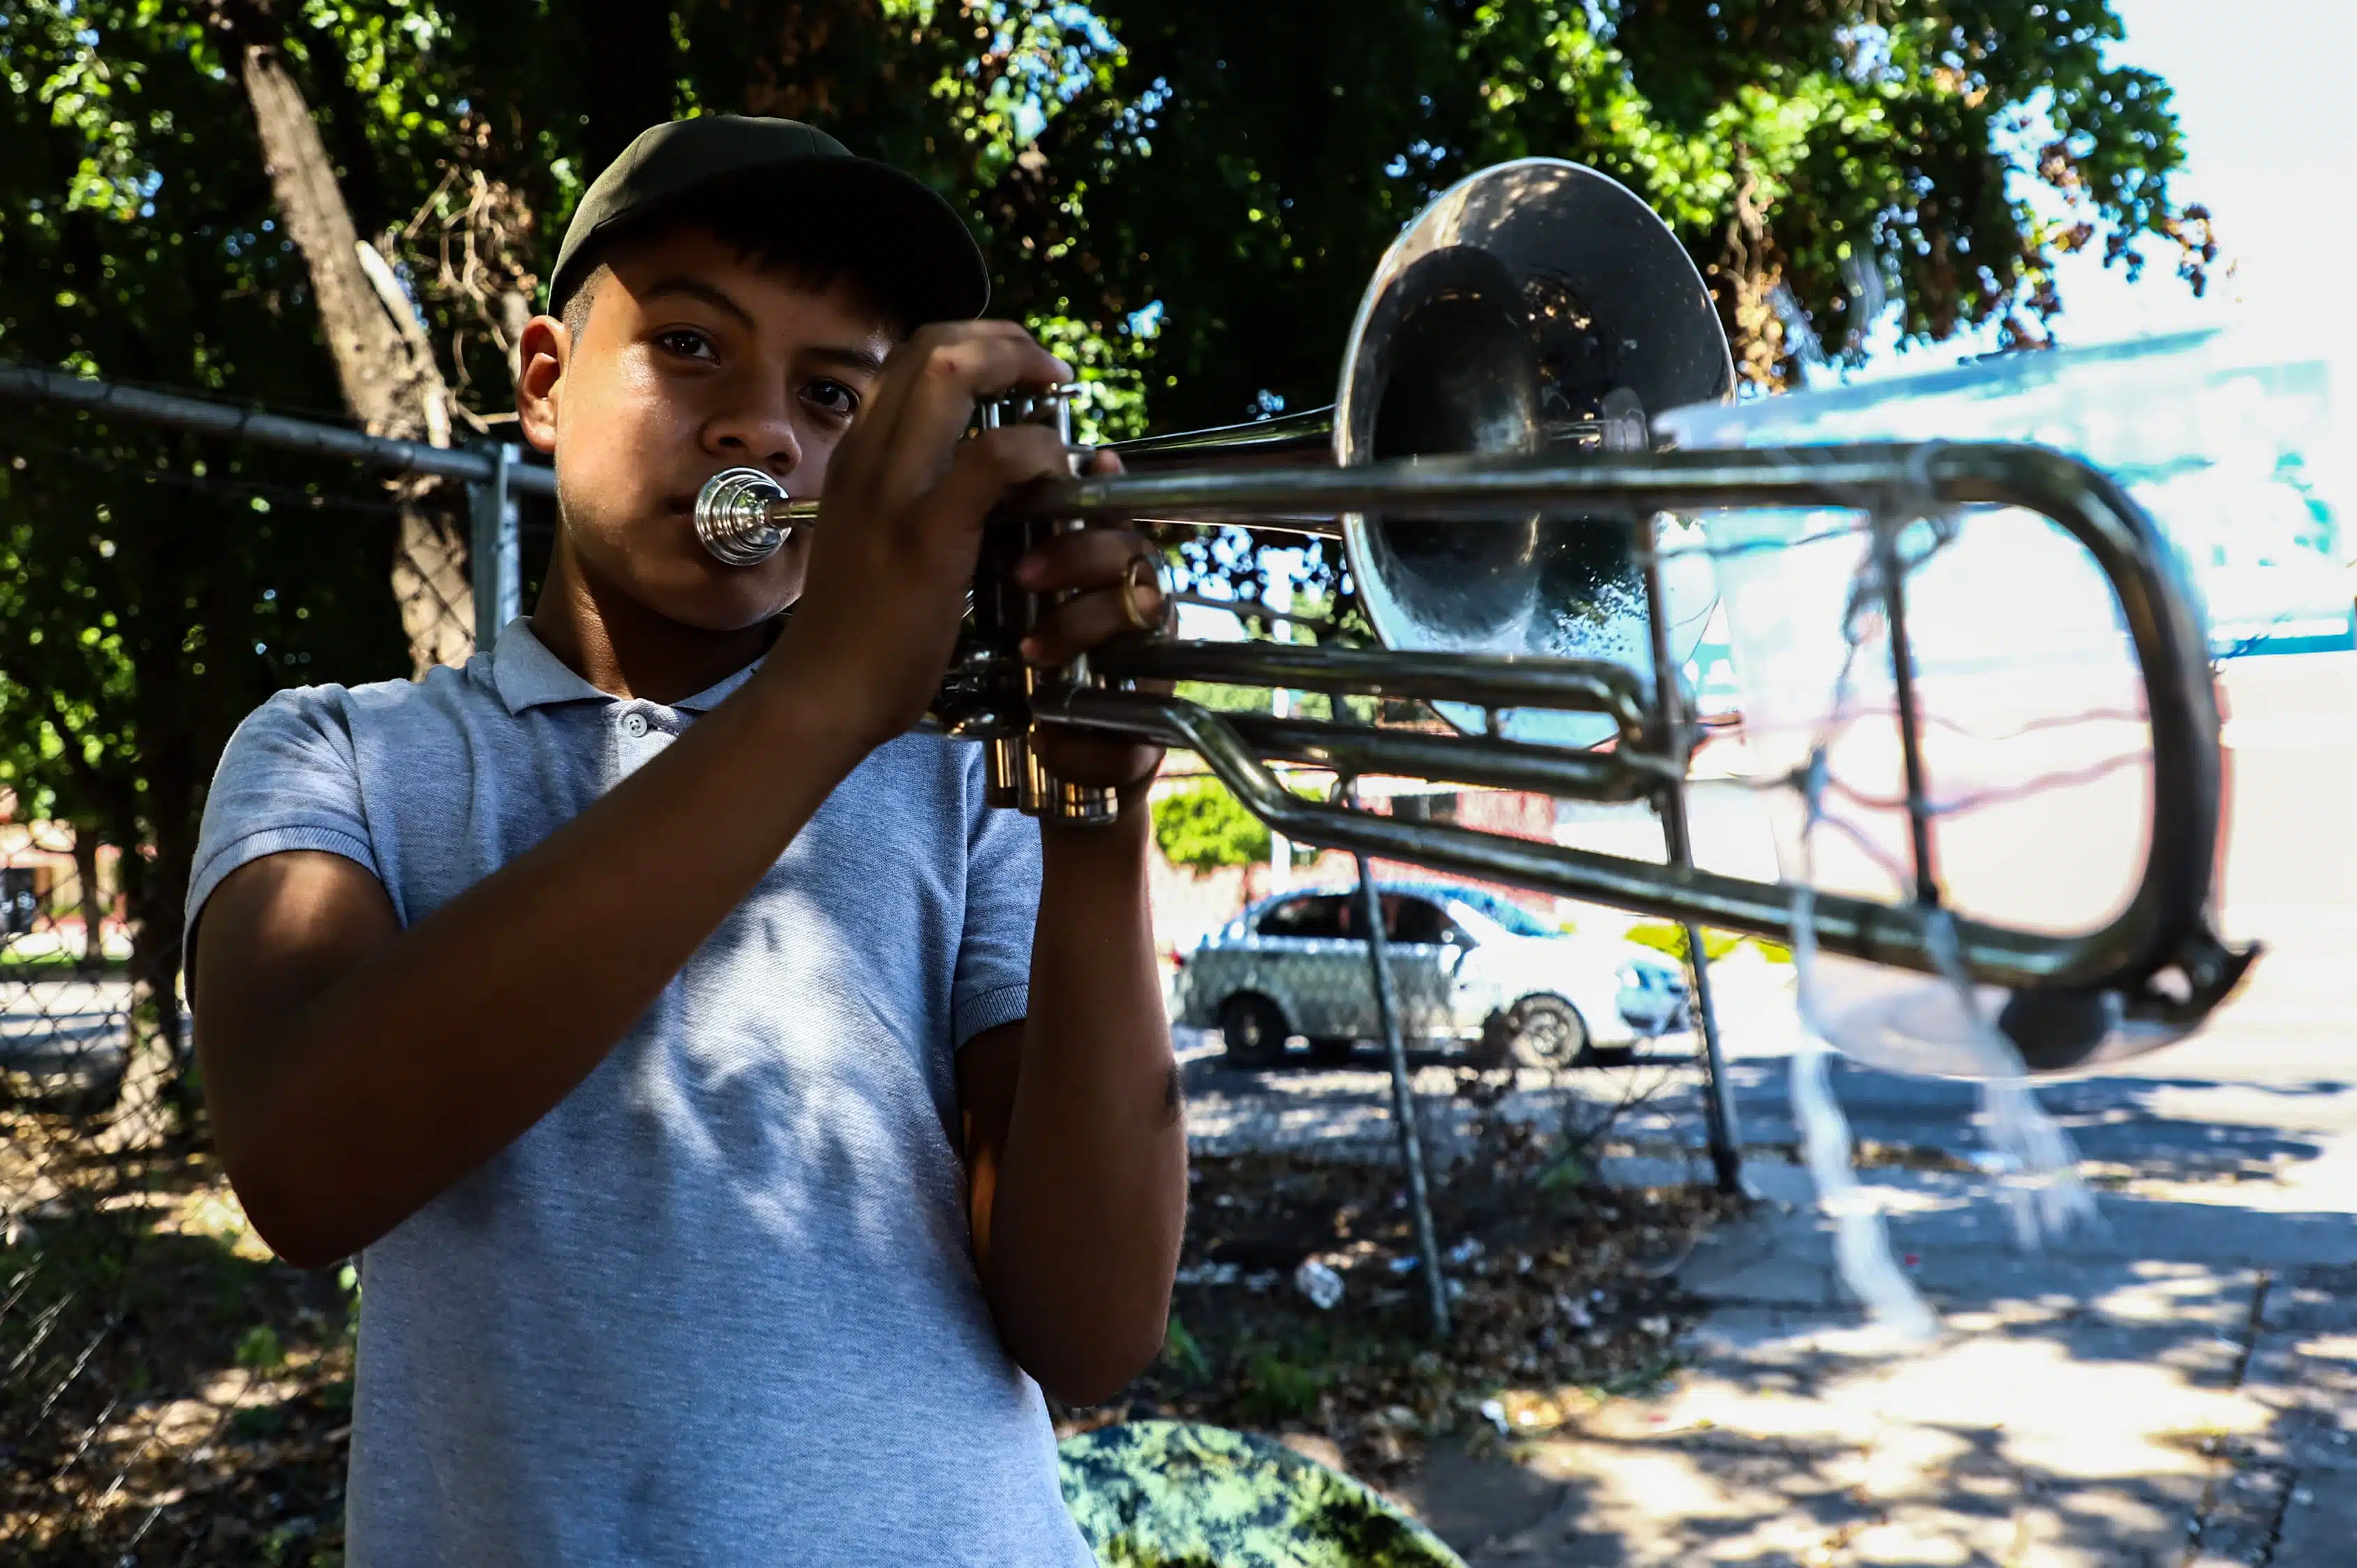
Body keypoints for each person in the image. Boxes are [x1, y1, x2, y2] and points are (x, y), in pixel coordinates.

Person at [184, 115, 1184, 1566]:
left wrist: (1098, 818)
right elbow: (304, 1165)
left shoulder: (956, 779)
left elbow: (1092, 1332)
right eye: (691, 349)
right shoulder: (334, 753)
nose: (763, 431)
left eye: (836, 395)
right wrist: (824, 692)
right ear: (542, 383)